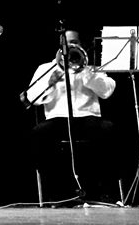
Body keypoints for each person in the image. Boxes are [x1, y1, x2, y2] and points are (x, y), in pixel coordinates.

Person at [24, 29, 118, 203]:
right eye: (66, 43)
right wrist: (49, 83)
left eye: (74, 42)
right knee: (38, 134)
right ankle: (57, 193)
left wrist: (86, 74)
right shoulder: (45, 68)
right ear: (60, 45)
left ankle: (103, 191)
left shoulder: (91, 68)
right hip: (57, 118)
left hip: (88, 117)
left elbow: (107, 91)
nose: (70, 46)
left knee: (108, 130)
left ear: (81, 44)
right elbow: (31, 98)